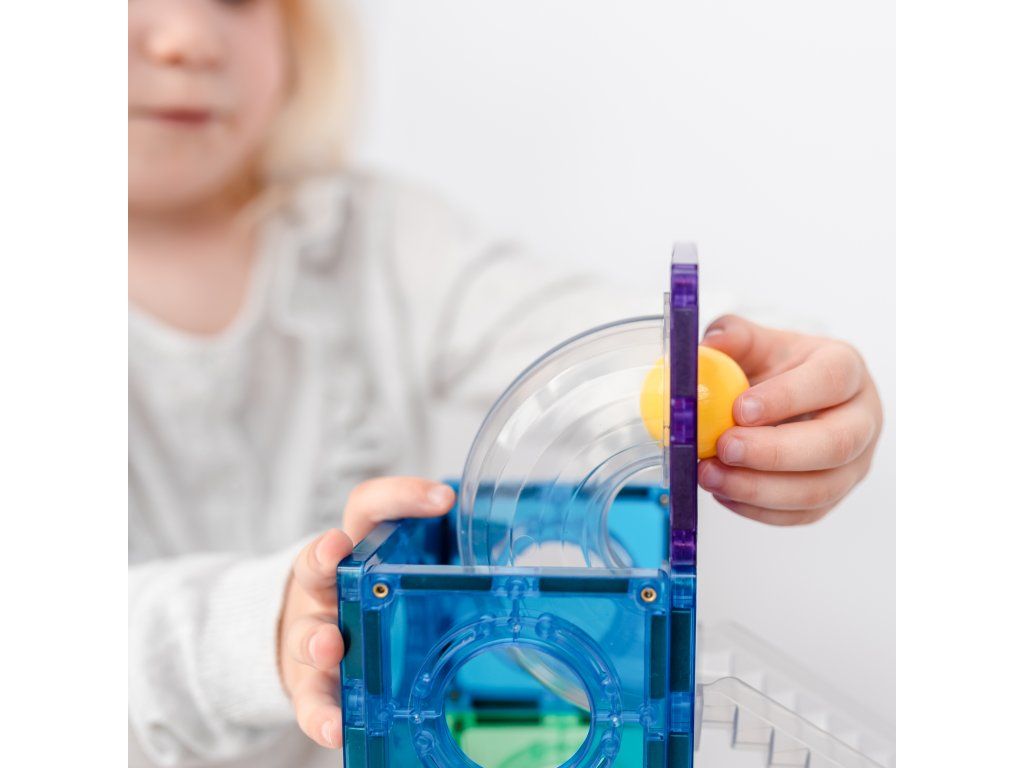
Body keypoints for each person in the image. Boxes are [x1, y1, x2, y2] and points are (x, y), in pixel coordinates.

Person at [128, 1, 884, 766]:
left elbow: (590, 335)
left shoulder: (376, 238)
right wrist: (263, 628)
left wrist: (786, 388)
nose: (189, 38)